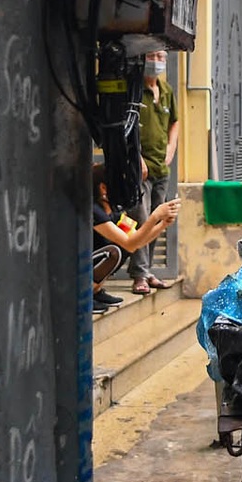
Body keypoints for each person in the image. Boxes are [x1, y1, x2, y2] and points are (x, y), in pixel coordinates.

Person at [92, 165, 180, 313]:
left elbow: (137, 240)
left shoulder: (114, 211)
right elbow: (130, 244)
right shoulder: (95, 211)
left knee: (122, 248)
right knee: (114, 251)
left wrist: (163, 224)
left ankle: (96, 291)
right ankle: (87, 294)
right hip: (74, 271)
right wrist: (155, 216)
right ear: (103, 188)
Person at [129, 50, 179, 295]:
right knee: (142, 217)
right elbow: (123, 128)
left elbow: (175, 123)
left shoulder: (167, 90)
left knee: (158, 220)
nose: (157, 62)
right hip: (141, 169)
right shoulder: (134, 90)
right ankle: (138, 274)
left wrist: (171, 149)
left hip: (162, 168)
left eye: (161, 57)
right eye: (152, 56)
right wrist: (136, 158)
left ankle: (147, 271)